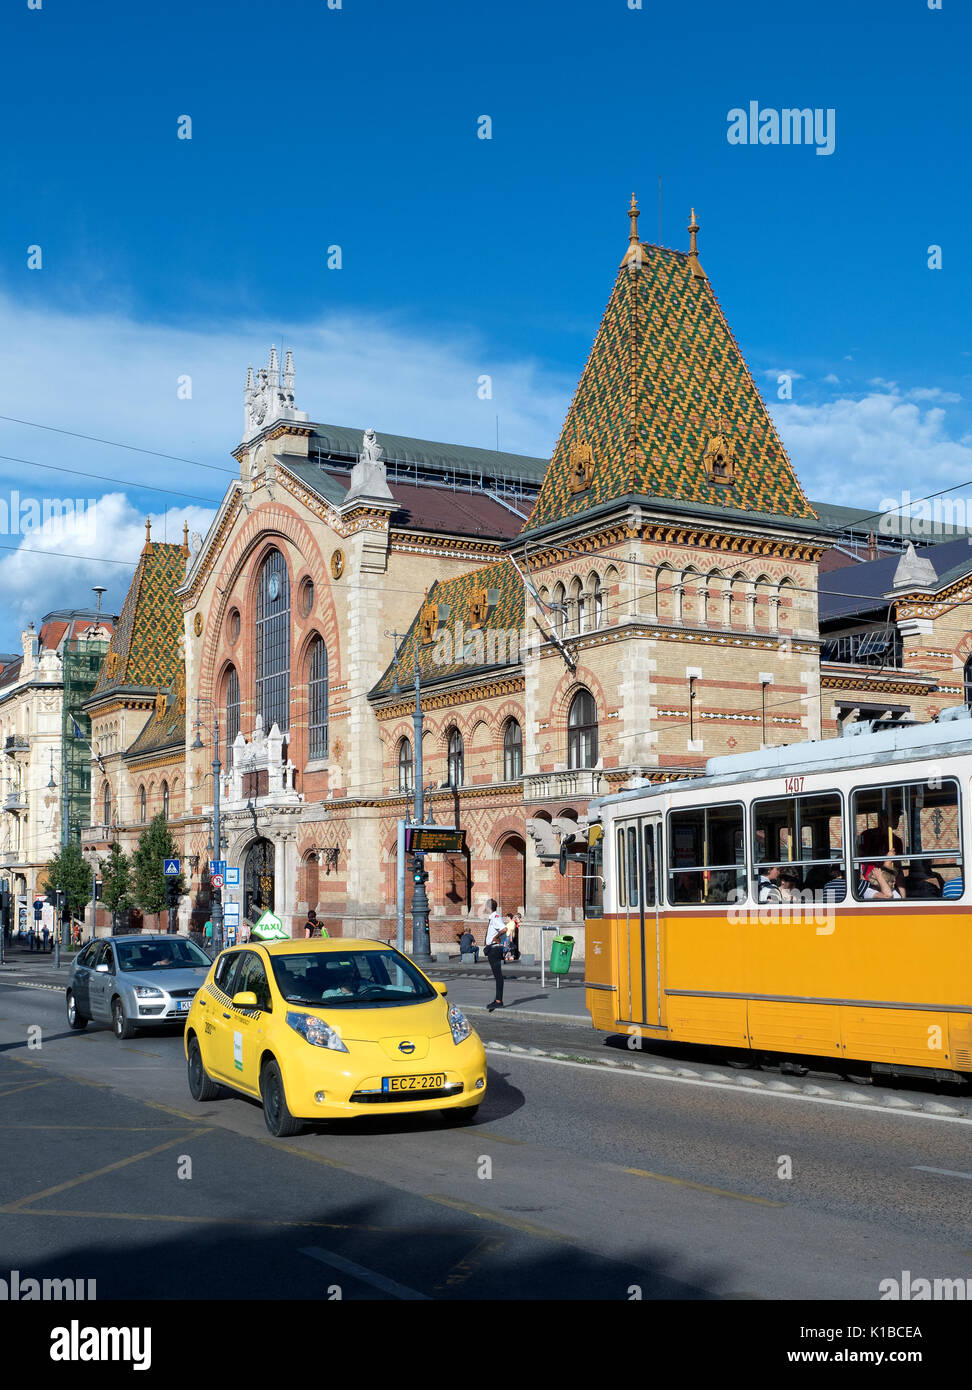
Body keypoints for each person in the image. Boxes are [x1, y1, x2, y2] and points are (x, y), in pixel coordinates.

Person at [484, 899, 507, 1011]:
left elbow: (504, 929)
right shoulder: (493, 917)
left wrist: (496, 937)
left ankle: (499, 1001)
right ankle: (497, 999)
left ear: (488, 907)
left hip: (494, 949)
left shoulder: (495, 917)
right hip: (492, 949)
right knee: (497, 975)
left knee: (498, 976)